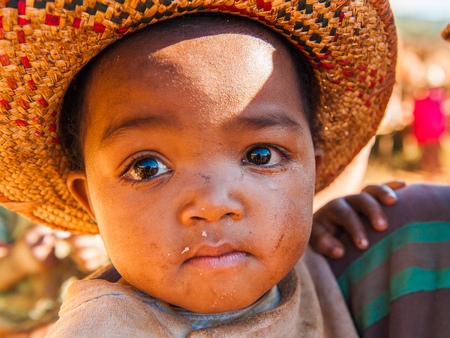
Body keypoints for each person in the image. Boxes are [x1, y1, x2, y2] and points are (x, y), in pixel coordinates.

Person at [0, 0, 397, 336]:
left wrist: (331, 227)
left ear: (314, 173)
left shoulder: (329, 267)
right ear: (90, 200)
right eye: (147, 167)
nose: (211, 204)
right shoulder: (103, 327)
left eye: (261, 156)